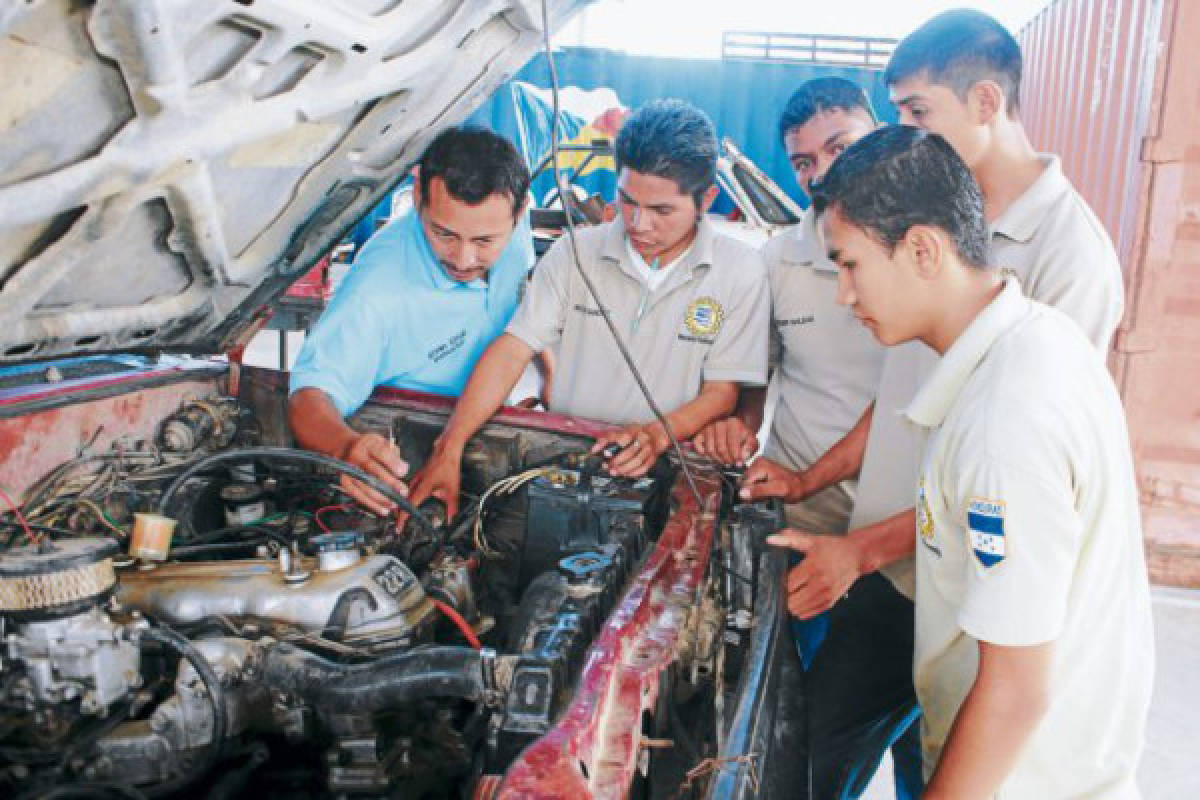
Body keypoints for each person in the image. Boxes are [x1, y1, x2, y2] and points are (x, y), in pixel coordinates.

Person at [740, 7, 1125, 639]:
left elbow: (1030, 464)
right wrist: (811, 482)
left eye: (917, 112)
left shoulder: (1070, 256)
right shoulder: (934, 218)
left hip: (974, 590)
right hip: (894, 569)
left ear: (984, 100)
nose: (905, 131)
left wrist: (862, 547)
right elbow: (904, 397)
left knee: (949, 736)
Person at [803, 122, 1152, 799]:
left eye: (849, 265)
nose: (844, 295)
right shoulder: (1032, 343)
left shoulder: (1004, 421)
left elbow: (1017, 689)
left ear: (924, 250)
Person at [692, 77, 920, 799]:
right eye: (802, 160)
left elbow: (902, 404)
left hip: (910, 533)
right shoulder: (776, 261)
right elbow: (757, 379)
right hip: (810, 524)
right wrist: (740, 429)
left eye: (839, 146)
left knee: (927, 741)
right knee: (814, 737)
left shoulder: (925, 258)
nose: (821, 171)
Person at [409, 99, 770, 519]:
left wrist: (655, 437)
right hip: (566, 469)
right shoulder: (574, 252)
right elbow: (513, 349)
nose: (638, 223)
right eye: (628, 200)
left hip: (673, 476)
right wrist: (448, 448)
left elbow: (722, 393)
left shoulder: (741, 271)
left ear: (706, 198)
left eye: (661, 210)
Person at [288, 127, 536, 514]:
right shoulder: (377, 288)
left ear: (519, 213)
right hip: (407, 457)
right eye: (444, 234)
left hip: (485, 422)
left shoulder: (518, 232)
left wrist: (545, 364)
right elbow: (309, 395)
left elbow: (526, 307)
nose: (463, 259)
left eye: (484, 242)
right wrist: (347, 448)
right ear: (418, 195)